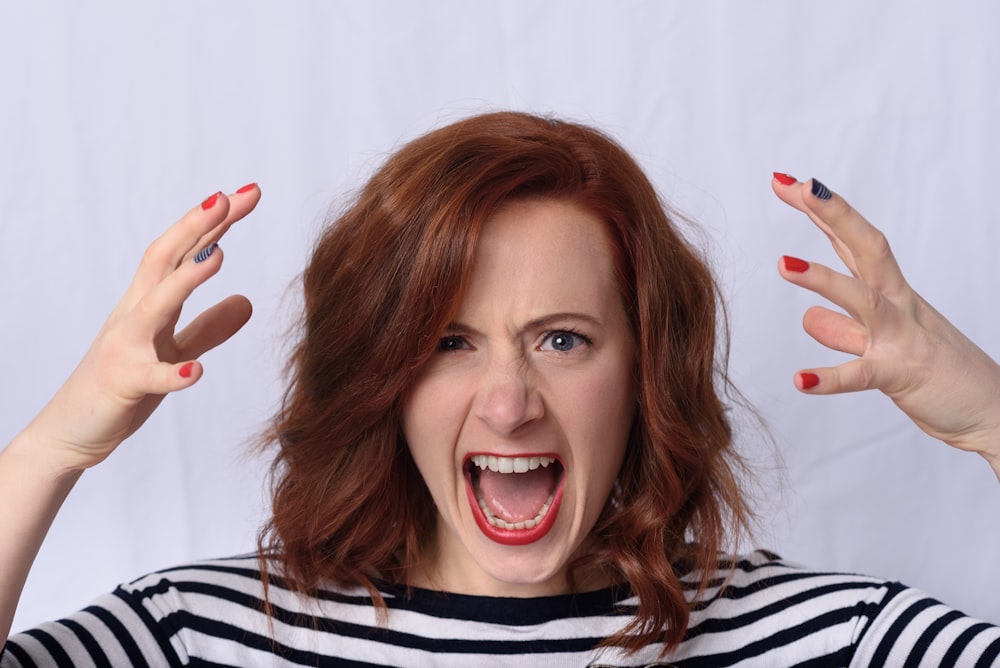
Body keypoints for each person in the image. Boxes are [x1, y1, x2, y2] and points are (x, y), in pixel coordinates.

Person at [2, 111, 999, 666]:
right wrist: (50, 448)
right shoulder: (197, 635)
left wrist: (995, 418)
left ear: (645, 369)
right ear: (381, 376)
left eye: (561, 338)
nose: (509, 399)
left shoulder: (832, 640)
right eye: (447, 341)